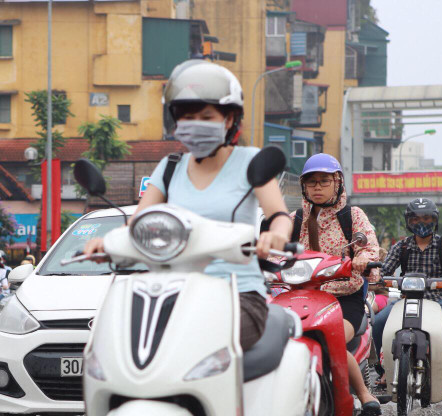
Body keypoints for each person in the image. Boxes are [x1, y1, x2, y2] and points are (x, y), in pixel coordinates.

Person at [82, 59, 292, 350]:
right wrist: (106, 243)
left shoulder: (250, 162)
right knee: (119, 342)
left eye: (206, 117)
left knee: (190, 344)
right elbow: (137, 225)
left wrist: (276, 235)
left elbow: (280, 215)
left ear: (228, 119)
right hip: (173, 293)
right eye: (188, 117)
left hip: (238, 294)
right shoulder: (169, 168)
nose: (197, 124)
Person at [292, 153, 381, 416]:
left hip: (344, 299)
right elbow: (274, 246)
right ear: (304, 186)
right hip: (302, 297)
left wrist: (363, 259)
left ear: (337, 183)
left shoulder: (352, 216)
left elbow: (370, 246)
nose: (317, 187)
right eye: (311, 182)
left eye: (324, 181)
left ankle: (364, 394)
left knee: (330, 339)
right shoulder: (295, 218)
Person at [373, 198, 442, 392]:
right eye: (416, 219)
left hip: (439, 300)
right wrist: (375, 277)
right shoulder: (402, 246)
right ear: (409, 222)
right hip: (407, 299)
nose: (421, 223)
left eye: (426, 218)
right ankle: (384, 369)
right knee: (379, 322)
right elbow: (383, 271)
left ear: (434, 220)